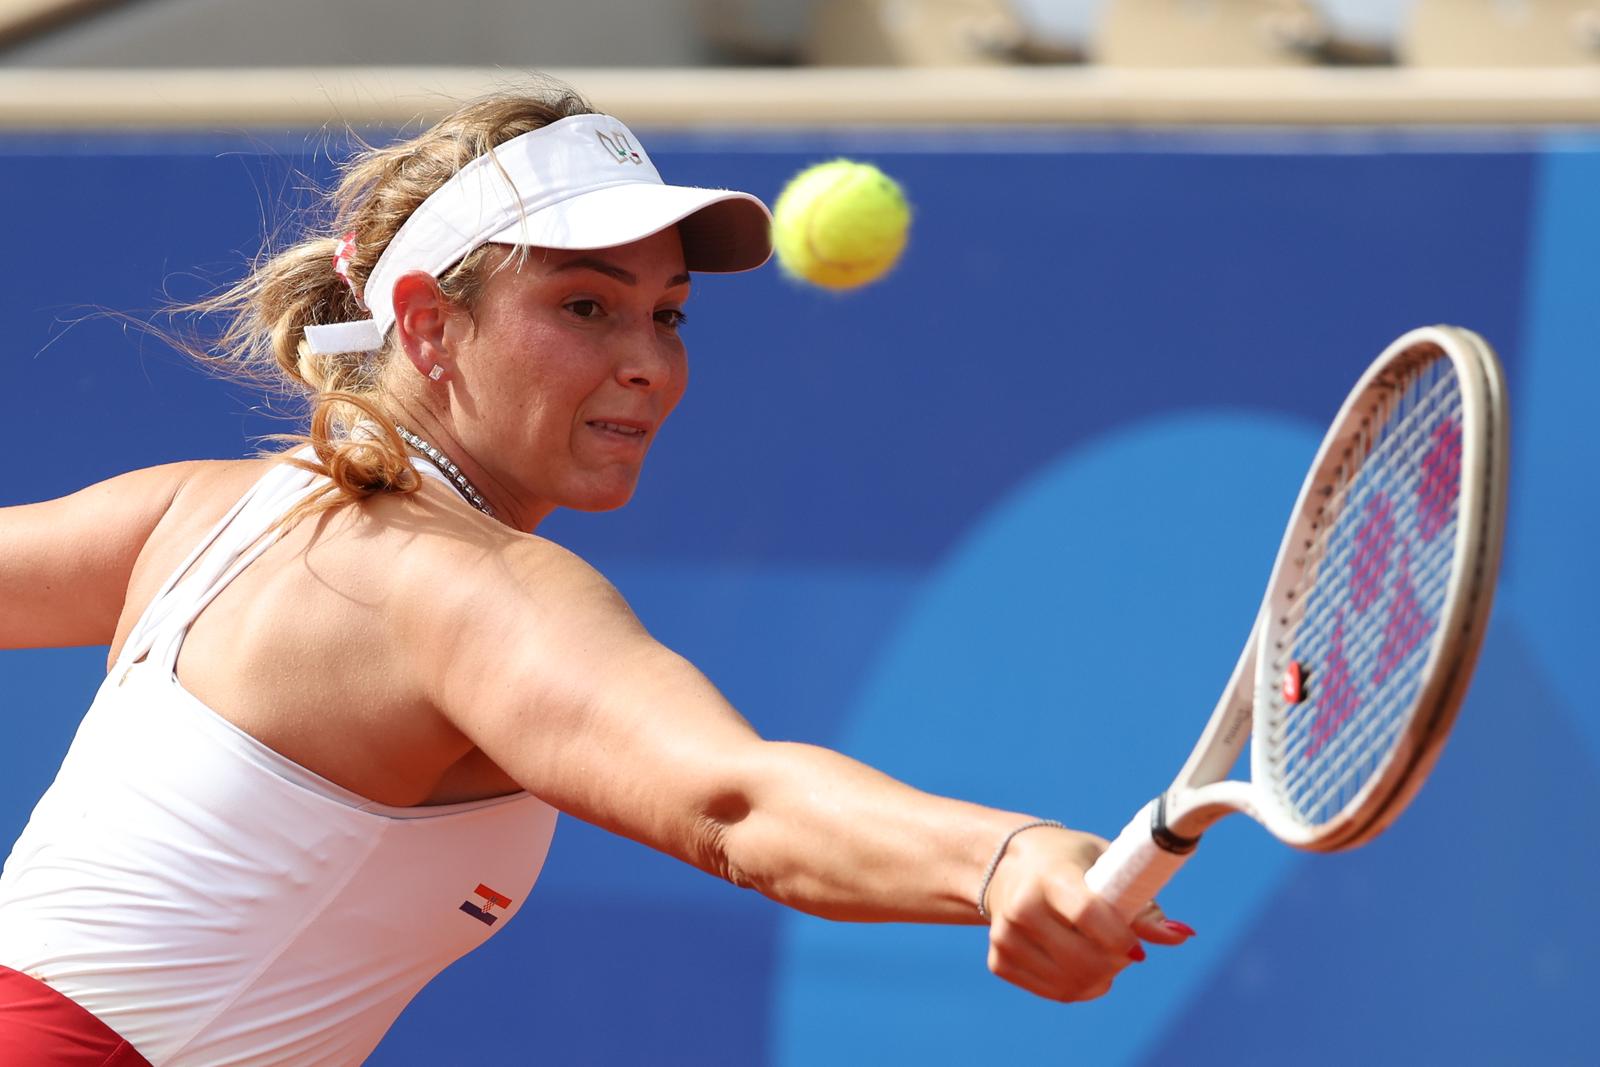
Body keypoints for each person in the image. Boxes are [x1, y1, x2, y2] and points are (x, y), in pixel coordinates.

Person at [0, 79, 1192, 1066]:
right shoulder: (470, 588)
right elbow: (738, 801)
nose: (646, 367)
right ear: (423, 324)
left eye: (667, 317)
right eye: (585, 306)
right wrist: (1002, 858)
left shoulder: (198, 507)